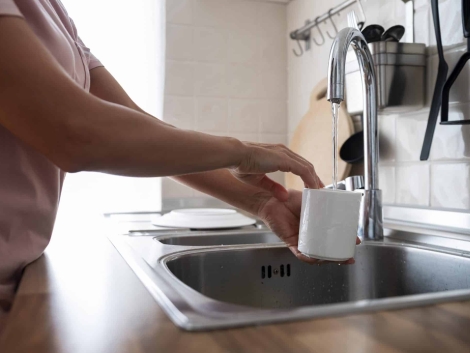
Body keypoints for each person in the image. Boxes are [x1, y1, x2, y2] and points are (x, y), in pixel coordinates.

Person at [0, 0, 357, 330]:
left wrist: (262, 203)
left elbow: (141, 130)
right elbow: (75, 131)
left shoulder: (55, 14)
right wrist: (239, 151)